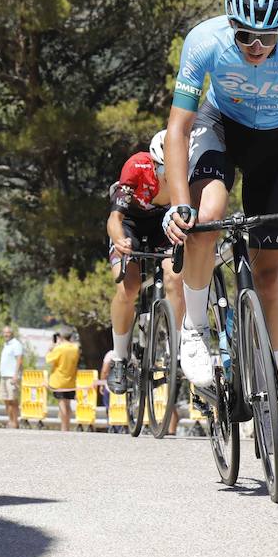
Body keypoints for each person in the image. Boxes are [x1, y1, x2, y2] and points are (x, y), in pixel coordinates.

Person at [162, 0, 278, 454]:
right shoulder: (204, 41)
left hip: (273, 142)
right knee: (208, 212)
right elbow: (179, 128)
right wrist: (179, 203)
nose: (256, 46)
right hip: (219, 127)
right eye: (245, 36)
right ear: (230, 25)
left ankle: (268, 395)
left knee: (269, 275)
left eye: (267, 38)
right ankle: (194, 329)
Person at [106, 130, 182, 396]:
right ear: (154, 163)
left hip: (164, 223)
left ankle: (178, 346)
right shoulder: (137, 166)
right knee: (129, 287)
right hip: (130, 223)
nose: (169, 176)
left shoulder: (187, 171)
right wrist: (119, 241)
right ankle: (119, 358)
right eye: (164, 170)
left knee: (175, 272)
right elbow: (115, 219)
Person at [46, 331, 80, 432]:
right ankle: (67, 426)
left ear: (60, 337)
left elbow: (48, 359)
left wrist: (51, 348)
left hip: (59, 380)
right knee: (68, 404)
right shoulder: (75, 348)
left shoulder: (59, 348)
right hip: (71, 380)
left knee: (62, 404)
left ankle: (64, 427)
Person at [0, 325, 25, 428]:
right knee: (6, 400)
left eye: (8, 332)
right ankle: (10, 421)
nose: (6, 334)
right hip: (4, 376)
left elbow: (19, 359)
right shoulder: (6, 344)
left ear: (12, 333)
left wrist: (16, 375)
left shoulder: (16, 344)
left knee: (13, 400)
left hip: (11, 376)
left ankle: (15, 422)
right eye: (4, 332)